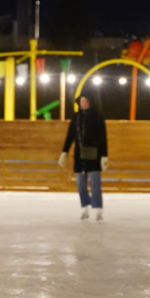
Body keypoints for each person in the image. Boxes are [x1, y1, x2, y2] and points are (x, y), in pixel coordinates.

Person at [58, 91, 108, 221]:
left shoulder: (97, 117)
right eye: (81, 102)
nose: (83, 104)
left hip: (94, 153)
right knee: (80, 183)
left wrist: (104, 155)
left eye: (85, 101)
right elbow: (70, 135)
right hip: (79, 154)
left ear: (90, 102)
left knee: (95, 183)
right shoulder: (76, 117)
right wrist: (65, 152)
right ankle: (85, 207)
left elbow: (102, 137)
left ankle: (98, 209)